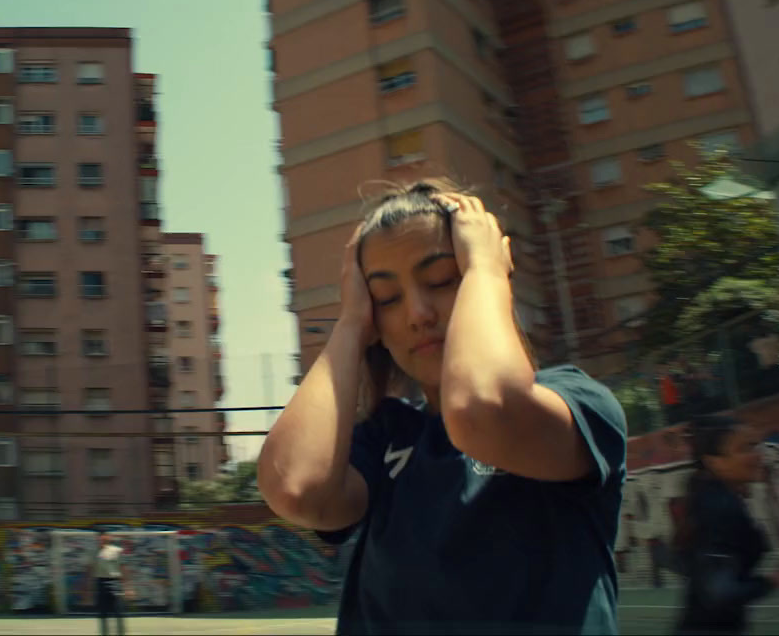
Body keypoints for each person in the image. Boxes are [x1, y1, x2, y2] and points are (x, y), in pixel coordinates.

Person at [257, 179, 628, 635]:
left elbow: (483, 409)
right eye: (386, 298)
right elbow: (296, 487)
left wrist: (488, 271)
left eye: (441, 280)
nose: (417, 312)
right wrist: (351, 322)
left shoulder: (581, 405)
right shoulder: (385, 437)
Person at [674, 415, 779, 635]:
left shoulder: (717, 499)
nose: (756, 455)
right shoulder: (718, 507)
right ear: (714, 462)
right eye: (743, 449)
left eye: (753, 445)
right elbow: (719, 594)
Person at [93, 534, 132, 636]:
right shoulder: (94, 552)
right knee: (103, 614)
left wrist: (127, 587)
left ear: (108, 538)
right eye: (100, 537)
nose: (101, 539)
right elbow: (90, 570)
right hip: (100, 582)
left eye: (104, 537)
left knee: (118, 612)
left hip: (114, 582)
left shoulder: (117, 550)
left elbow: (123, 568)